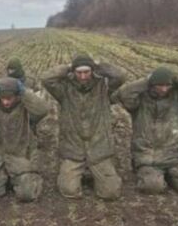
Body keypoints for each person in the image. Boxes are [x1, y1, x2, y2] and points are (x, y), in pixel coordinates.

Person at [41, 53, 125, 200]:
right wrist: (67, 67)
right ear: (73, 72)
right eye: (79, 72)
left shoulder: (103, 87)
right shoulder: (64, 90)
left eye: (87, 72)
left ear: (92, 71)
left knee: (111, 193)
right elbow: (46, 79)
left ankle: (96, 172)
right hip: (74, 150)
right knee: (69, 191)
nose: (83, 76)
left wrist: (98, 66)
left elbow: (121, 75)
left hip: (99, 149)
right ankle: (80, 171)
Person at [114, 67, 178, 194]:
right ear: (151, 85)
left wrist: (174, 76)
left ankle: (171, 174)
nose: (164, 89)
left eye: (167, 85)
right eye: (159, 85)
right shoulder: (139, 102)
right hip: (148, 157)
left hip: (175, 155)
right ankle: (153, 175)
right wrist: (148, 79)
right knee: (152, 187)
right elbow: (124, 93)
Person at [0, 77, 49, 202]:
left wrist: (24, 91)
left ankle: (31, 177)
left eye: (9, 98)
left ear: (17, 96)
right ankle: (5, 180)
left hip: (20, 161)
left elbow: (43, 109)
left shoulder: (26, 107)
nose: (5, 102)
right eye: (3, 98)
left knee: (27, 194)